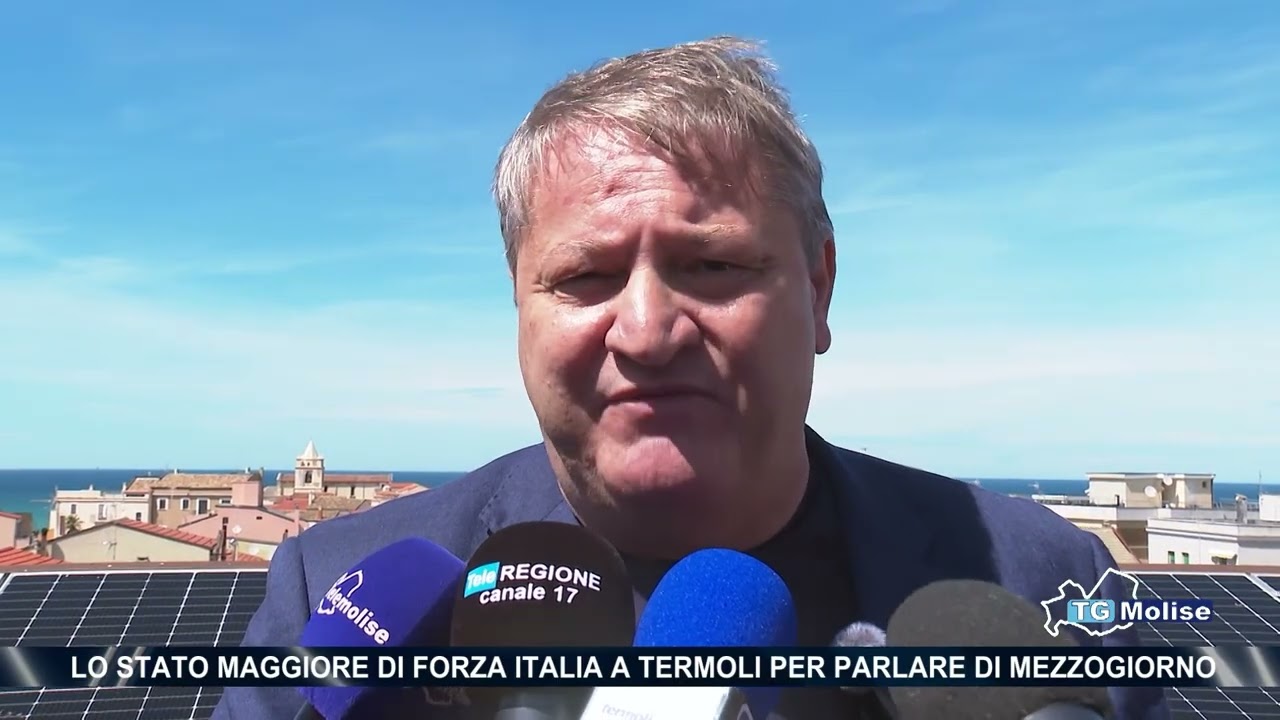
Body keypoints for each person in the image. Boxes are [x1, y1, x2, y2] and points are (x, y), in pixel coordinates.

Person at [214, 37, 1170, 719]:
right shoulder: (335, 595)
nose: (646, 331)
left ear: (819, 287)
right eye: (584, 277)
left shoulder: (1048, 582)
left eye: (712, 265)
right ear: (518, 305)